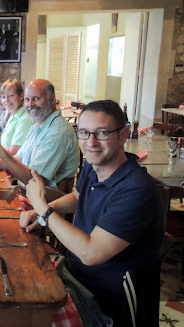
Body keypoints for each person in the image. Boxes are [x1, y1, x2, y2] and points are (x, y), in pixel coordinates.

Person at [19, 100, 164, 326]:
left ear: (123, 135)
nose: (91, 142)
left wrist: (43, 208)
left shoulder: (137, 190)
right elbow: (78, 196)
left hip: (109, 303)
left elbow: (90, 253)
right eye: (84, 133)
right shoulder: (92, 165)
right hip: (76, 278)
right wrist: (47, 212)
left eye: (102, 133)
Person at [0, 79, 79, 189]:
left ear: (52, 99)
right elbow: (16, 160)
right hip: (25, 191)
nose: (30, 104)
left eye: (36, 98)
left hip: (45, 202)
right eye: (27, 99)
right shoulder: (37, 126)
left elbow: (34, 181)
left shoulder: (58, 132)